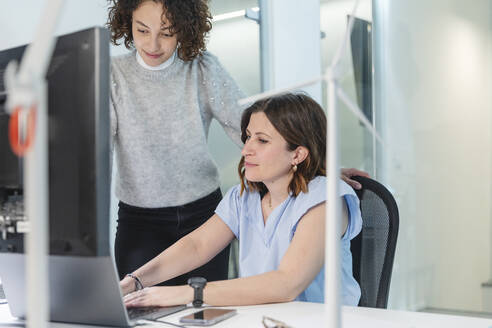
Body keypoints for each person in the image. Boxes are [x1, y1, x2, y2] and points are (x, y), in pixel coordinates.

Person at [107, 0, 368, 287]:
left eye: (167, 33)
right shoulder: (112, 76)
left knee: (203, 313)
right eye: (143, 30)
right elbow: (96, 151)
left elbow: (252, 127)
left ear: (184, 29)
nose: (153, 44)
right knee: (139, 306)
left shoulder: (202, 69)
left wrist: (315, 166)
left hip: (201, 212)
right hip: (141, 220)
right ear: (127, 23)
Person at [121, 93, 363, 307]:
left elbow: (286, 283)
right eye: (248, 137)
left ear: (298, 154)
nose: (246, 149)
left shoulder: (326, 199)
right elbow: (196, 246)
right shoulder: (243, 197)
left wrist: (183, 294)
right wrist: (134, 282)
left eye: (262, 140)